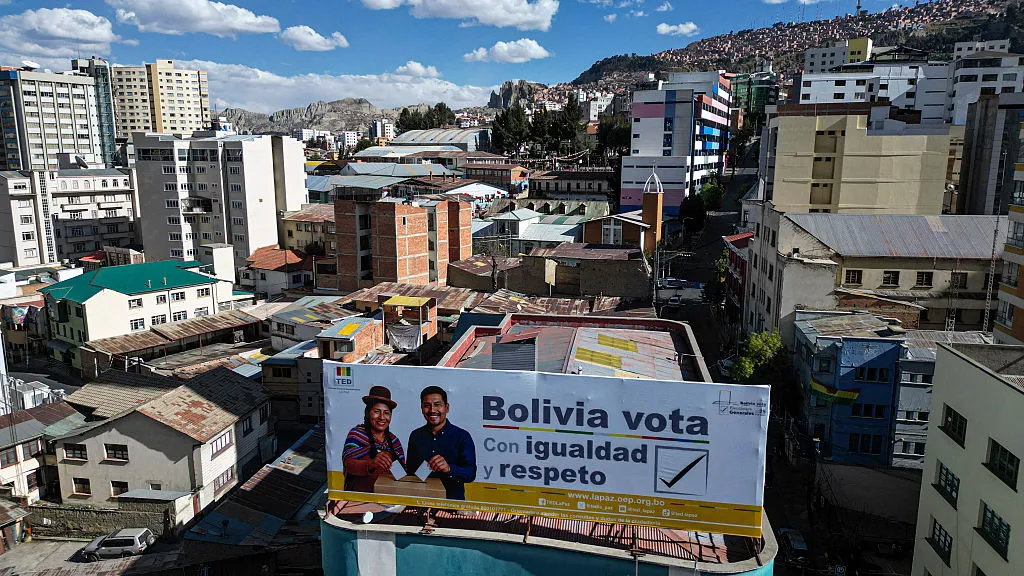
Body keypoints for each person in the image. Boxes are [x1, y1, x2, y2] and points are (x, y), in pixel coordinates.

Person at [405, 385, 476, 500]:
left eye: (437, 405)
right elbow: (411, 472)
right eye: (427, 405)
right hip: (420, 501)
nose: (432, 410)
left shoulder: (462, 436)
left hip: (451, 503)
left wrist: (449, 469)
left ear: (447, 408)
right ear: (421, 408)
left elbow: (471, 473)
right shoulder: (415, 436)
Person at [342, 385, 406, 493]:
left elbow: (401, 474)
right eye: (376, 411)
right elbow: (348, 466)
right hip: (360, 497)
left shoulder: (394, 441)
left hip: (388, 496)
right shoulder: (356, 434)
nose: (382, 417)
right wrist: (371, 463)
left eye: (386, 413)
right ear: (368, 413)